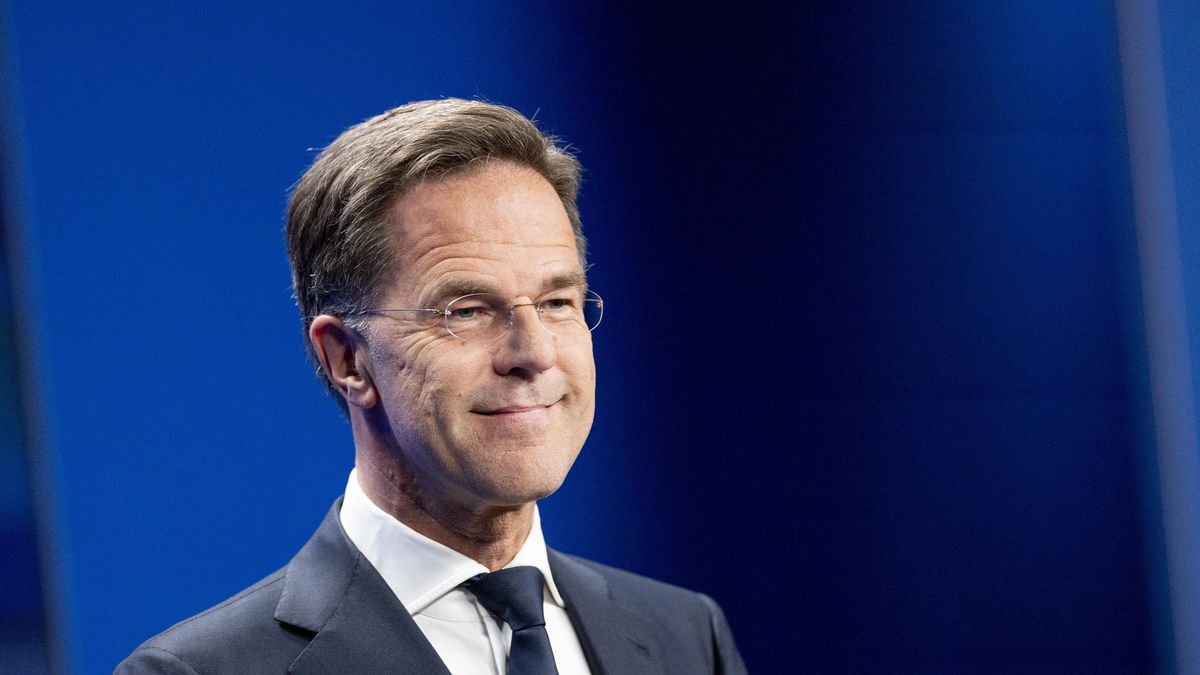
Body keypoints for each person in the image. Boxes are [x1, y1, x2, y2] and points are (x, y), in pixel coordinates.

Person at [115, 99, 746, 675]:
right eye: (465, 310)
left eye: (557, 301)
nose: (534, 353)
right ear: (347, 359)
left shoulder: (685, 637)